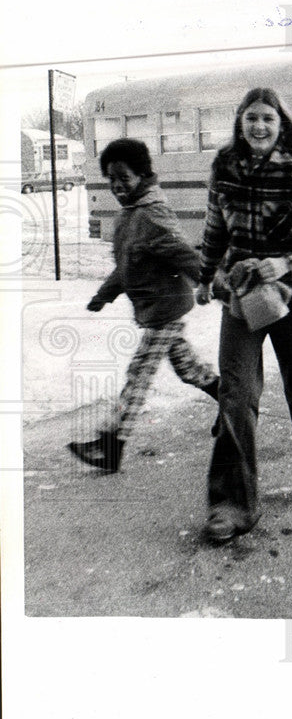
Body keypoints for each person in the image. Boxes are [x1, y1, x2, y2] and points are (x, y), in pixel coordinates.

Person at [195, 87, 292, 543]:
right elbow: (215, 229)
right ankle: (234, 506)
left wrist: (286, 261)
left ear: (281, 126)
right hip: (241, 298)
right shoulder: (224, 168)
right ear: (240, 121)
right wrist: (204, 276)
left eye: (269, 120)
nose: (259, 126)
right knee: (236, 396)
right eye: (252, 118)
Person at [68, 138, 219, 473]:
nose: (117, 185)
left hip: (166, 311)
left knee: (139, 374)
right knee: (189, 370)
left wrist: (213, 283)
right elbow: (125, 265)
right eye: (111, 179)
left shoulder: (152, 214)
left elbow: (185, 254)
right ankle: (231, 402)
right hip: (154, 311)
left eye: (124, 177)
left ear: (143, 174)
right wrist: (104, 294)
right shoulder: (130, 216)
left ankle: (112, 445)